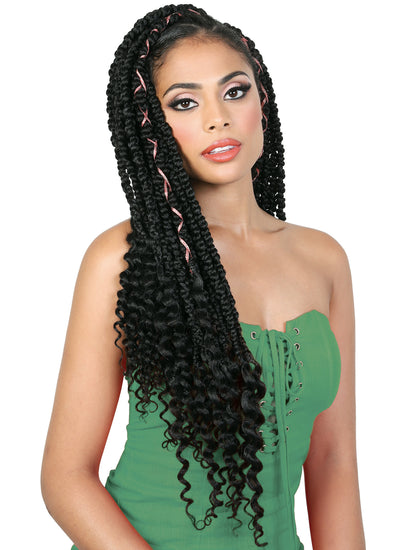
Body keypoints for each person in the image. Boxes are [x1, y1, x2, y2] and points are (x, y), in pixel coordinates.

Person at [41, 4, 365, 549]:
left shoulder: (325, 259)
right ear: (151, 125)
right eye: (185, 102)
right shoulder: (122, 258)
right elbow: (65, 478)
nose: (218, 118)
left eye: (235, 91)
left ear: (262, 101)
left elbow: (334, 461)